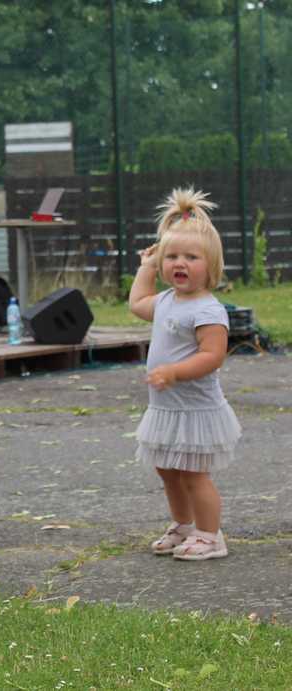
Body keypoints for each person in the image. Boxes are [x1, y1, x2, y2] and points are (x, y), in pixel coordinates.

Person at [129, 187, 241, 561]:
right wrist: (145, 267)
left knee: (194, 474)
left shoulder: (208, 310)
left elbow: (213, 355)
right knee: (168, 471)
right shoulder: (164, 302)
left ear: (211, 267)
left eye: (191, 257)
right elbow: (137, 304)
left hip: (195, 410)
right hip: (166, 409)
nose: (180, 263)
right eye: (171, 256)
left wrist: (175, 371)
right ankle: (184, 525)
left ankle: (210, 535)